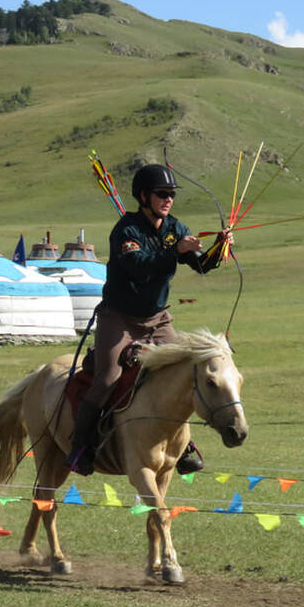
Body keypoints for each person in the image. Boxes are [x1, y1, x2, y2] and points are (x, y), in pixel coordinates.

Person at [67, 163, 233, 476]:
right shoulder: (127, 230)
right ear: (144, 196)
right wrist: (174, 253)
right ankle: (81, 448)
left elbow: (200, 265)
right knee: (106, 380)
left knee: (181, 370)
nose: (168, 199)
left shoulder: (175, 227)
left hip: (157, 318)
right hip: (118, 318)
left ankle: (183, 447)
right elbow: (137, 266)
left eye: (171, 195)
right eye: (162, 194)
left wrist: (218, 248)